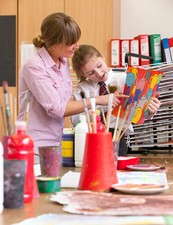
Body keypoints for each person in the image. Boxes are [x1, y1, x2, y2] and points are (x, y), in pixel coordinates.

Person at [17, 13, 118, 155]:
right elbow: (57, 108)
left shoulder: (63, 61)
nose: (76, 46)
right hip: (35, 145)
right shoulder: (34, 66)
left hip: (56, 142)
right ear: (53, 43)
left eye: (76, 40)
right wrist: (99, 100)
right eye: (71, 43)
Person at [71, 44, 161, 156]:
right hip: (89, 137)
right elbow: (75, 120)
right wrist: (102, 104)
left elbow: (139, 111)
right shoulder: (82, 89)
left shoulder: (125, 80)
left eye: (99, 66)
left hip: (117, 136)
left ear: (102, 57)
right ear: (83, 74)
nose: (99, 74)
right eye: (90, 73)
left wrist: (150, 111)